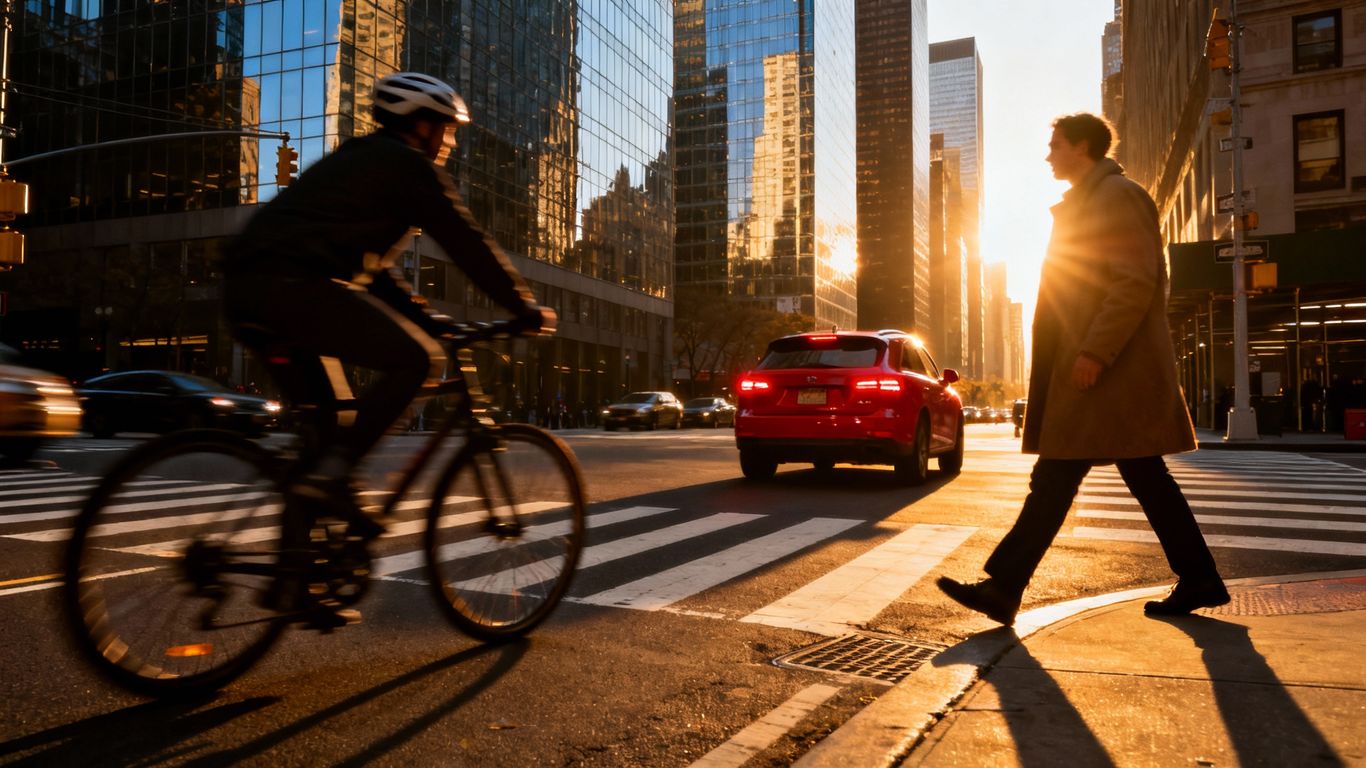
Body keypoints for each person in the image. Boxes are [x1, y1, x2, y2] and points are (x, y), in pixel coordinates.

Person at [223, 72, 554, 543]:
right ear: (419, 125)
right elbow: (466, 244)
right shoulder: (407, 167)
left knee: (329, 423)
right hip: (292, 287)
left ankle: (298, 572)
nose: (450, 141)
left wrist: (426, 318)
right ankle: (335, 477)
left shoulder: (362, 161)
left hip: (252, 290)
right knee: (419, 360)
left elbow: (373, 271)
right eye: (446, 128)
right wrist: (524, 308)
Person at [936, 113, 1228, 625]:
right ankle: (1195, 577)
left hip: (1107, 374)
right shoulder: (1091, 200)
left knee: (1074, 478)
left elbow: (1134, 280)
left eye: (1056, 145)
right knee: (1105, 477)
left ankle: (1005, 587)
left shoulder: (1116, 197)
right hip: (1098, 373)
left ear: (1083, 148)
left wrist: (1094, 352)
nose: (1048, 155)